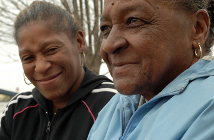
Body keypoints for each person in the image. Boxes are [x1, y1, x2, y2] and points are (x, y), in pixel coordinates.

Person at [88, 0, 214, 139]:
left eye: (134, 21)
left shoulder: (208, 108)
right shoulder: (114, 108)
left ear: (197, 28)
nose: (109, 45)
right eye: (106, 28)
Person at [0, 1, 117, 140]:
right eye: (28, 57)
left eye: (51, 50)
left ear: (79, 42)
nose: (41, 67)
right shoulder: (17, 110)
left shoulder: (112, 104)